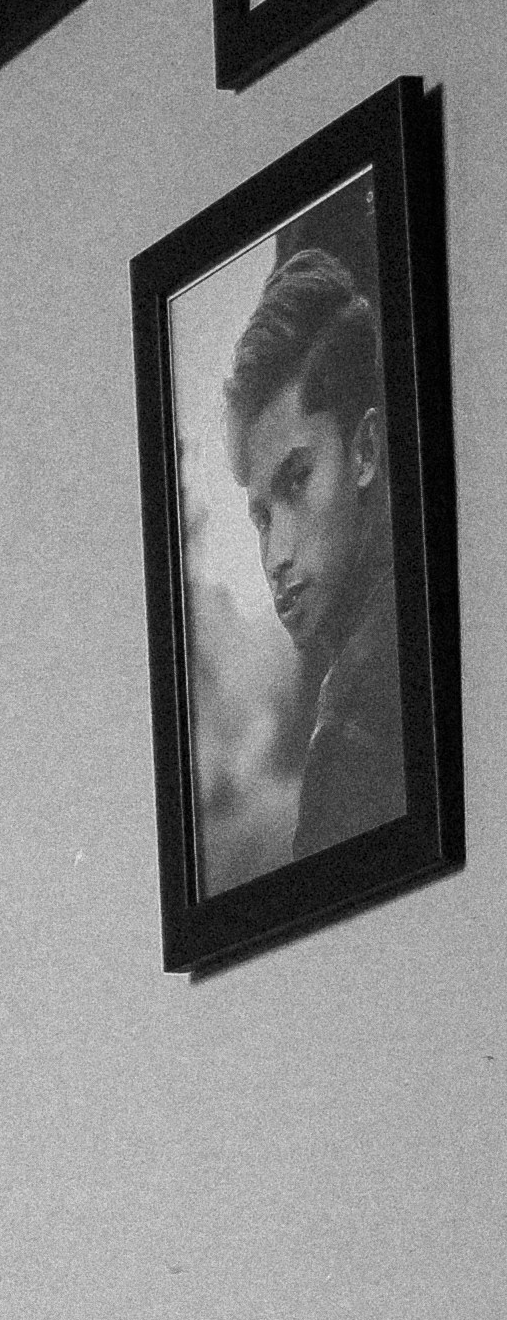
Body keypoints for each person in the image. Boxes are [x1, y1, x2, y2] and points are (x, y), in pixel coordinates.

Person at [226, 238, 405, 866]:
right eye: (260, 516)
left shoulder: (362, 716)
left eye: (297, 482)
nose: (274, 555)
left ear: (365, 451)